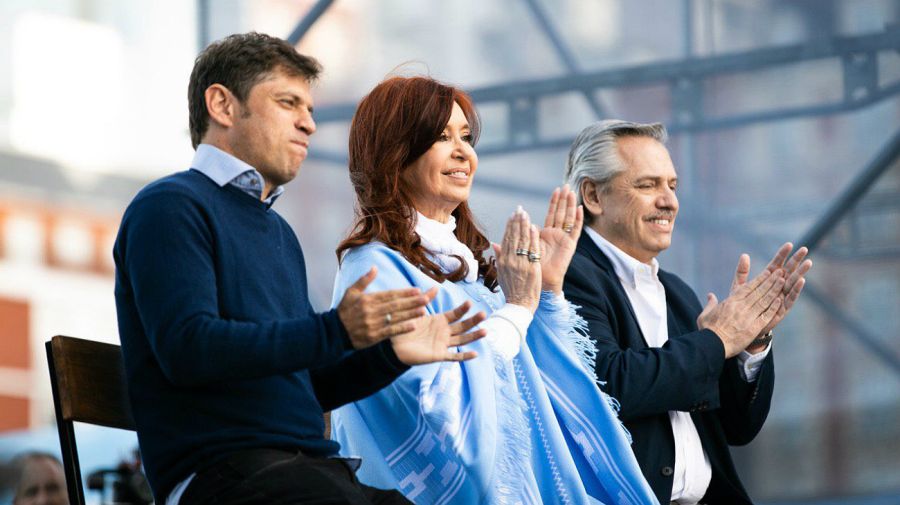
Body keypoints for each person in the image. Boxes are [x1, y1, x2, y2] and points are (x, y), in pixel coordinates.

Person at [113, 33, 486, 505]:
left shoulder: (280, 234)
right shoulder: (170, 206)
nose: (308, 124)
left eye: (308, 109)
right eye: (288, 103)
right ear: (223, 106)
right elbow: (189, 350)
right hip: (223, 475)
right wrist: (335, 331)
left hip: (299, 471)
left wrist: (391, 355)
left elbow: (306, 389)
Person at [330, 76, 658, 504]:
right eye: (441, 137)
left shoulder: (466, 271)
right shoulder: (373, 269)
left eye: (466, 137)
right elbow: (438, 399)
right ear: (394, 153)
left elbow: (537, 391)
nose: (463, 151)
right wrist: (518, 308)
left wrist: (546, 296)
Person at [562, 120, 813, 505]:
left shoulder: (676, 293)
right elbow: (608, 385)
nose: (669, 201)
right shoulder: (566, 275)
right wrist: (716, 341)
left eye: (672, 186)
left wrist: (751, 343)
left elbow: (737, 427)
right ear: (593, 196)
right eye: (647, 185)